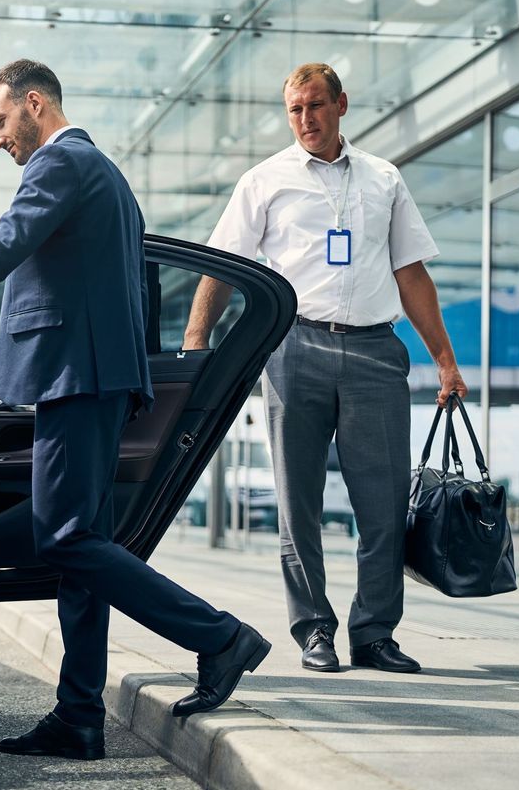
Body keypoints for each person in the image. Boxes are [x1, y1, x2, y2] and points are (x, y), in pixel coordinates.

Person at [0, 59, 270, 760]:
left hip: (76, 379)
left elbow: (0, 247)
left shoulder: (61, 163)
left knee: (65, 541)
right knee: (82, 551)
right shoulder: (107, 176)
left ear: (35, 103)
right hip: (91, 377)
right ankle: (79, 714)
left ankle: (220, 635)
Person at [182, 62, 467, 675]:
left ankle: (374, 633)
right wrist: (196, 343)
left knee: (384, 505)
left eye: (315, 106)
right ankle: (314, 629)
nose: (305, 119)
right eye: (294, 109)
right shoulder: (264, 180)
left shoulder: (384, 178)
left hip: (375, 352)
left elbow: (411, 271)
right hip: (294, 349)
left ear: (341, 104)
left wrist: (444, 359)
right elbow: (223, 263)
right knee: (299, 503)